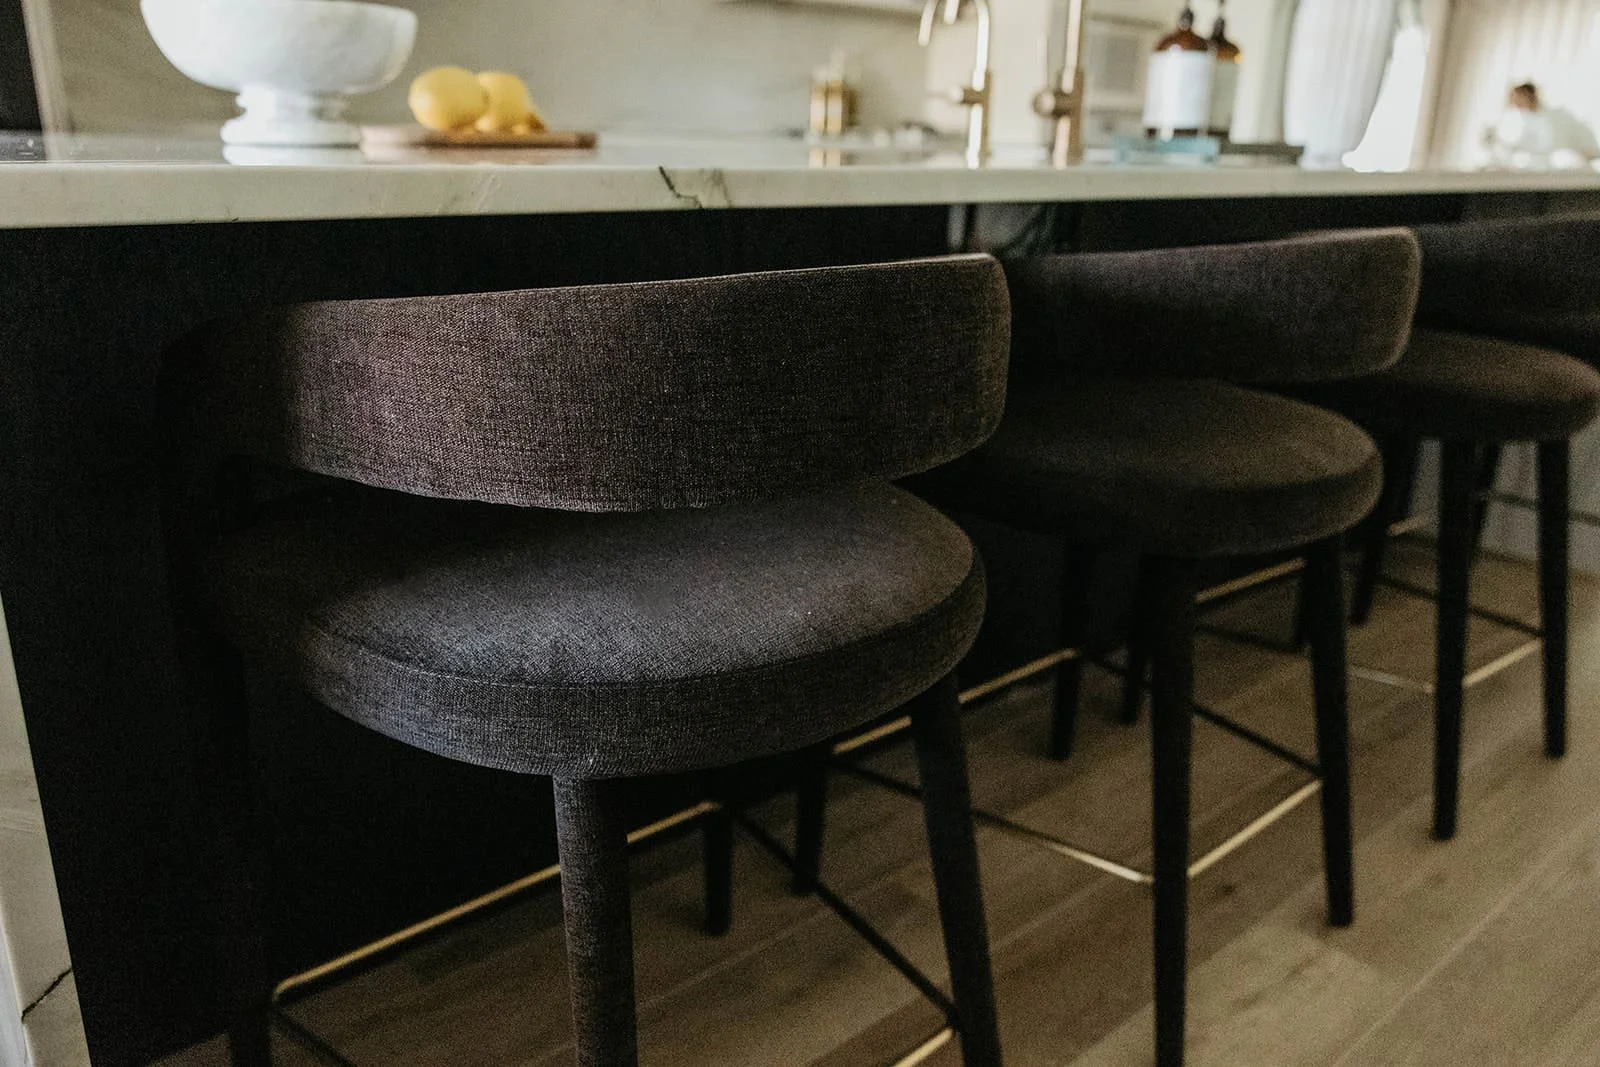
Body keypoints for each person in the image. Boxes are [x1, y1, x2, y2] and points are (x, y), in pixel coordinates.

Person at [1485, 82, 1600, 168]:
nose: (1516, 102)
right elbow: (1523, 145)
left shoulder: (1554, 116)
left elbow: (1550, 145)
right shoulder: (1526, 120)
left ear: (1528, 95)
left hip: (1572, 161)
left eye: (1518, 97)